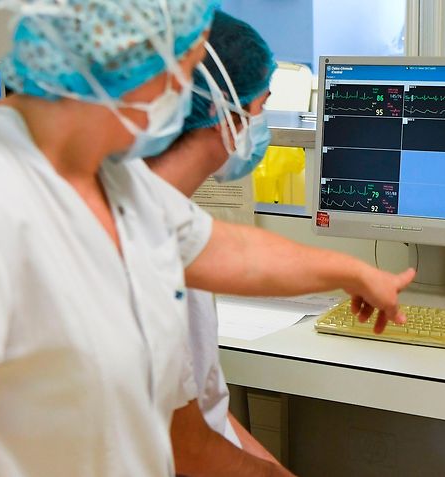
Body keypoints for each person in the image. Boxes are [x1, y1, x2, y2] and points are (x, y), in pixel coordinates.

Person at [0, 1, 412, 475]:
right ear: (120, 67)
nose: (182, 102)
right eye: (178, 77)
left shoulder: (112, 177)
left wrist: (351, 271)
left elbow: (222, 250)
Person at [141, 11, 287, 474]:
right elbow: (185, 447)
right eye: (260, 106)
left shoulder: (173, 216)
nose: (260, 124)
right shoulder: (142, 238)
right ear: (223, 112)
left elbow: (208, 412)